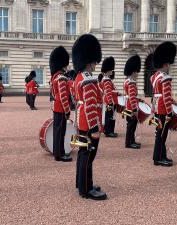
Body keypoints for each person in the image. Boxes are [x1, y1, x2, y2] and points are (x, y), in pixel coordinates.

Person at [73, 34, 107, 200]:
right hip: (89, 123)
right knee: (88, 154)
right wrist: (95, 128)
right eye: (94, 62)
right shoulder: (88, 80)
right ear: (89, 61)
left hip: (81, 121)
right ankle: (86, 189)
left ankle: (81, 183)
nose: (95, 65)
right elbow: (90, 105)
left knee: (82, 153)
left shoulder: (79, 77)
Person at [150, 42, 177, 167]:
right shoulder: (165, 78)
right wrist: (169, 111)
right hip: (162, 109)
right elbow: (165, 97)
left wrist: (171, 101)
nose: (169, 67)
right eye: (169, 65)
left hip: (156, 107)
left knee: (159, 133)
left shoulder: (154, 77)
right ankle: (158, 158)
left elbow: (158, 94)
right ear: (165, 64)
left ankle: (160, 155)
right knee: (162, 134)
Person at [50, 46, 72, 162]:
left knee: (57, 131)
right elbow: (64, 97)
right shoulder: (62, 78)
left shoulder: (55, 77)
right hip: (61, 108)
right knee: (60, 132)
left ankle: (57, 152)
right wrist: (68, 111)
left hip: (56, 107)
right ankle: (60, 154)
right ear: (63, 64)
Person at [123, 55, 142, 149]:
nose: (137, 74)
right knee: (131, 125)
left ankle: (131, 141)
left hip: (128, 105)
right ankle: (129, 142)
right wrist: (135, 108)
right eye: (136, 72)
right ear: (133, 72)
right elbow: (132, 96)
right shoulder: (131, 82)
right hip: (131, 107)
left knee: (131, 125)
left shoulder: (127, 81)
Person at [100, 57, 118, 138]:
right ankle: (108, 132)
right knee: (109, 117)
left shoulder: (107, 79)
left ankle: (110, 131)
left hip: (110, 101)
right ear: (108, 70)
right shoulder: (107, 80)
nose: (112, 71)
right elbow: (108, 93)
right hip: (109, 101)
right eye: (111, 70)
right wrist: (110, 102)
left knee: (110, 116)